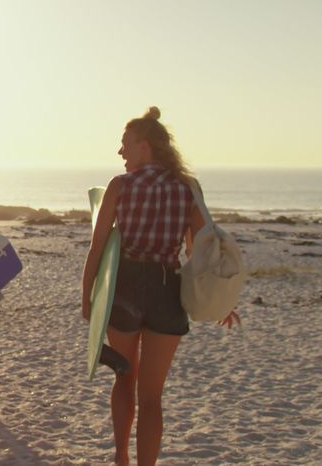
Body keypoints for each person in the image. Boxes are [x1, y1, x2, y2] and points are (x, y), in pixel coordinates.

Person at [82, 107, 239, 466]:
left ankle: (121, 456)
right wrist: (221, 302)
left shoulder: (120, 186)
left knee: (124, 378)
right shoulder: (187, 187)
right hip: (167, 287)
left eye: (126, 144)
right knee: (152, 396)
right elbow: (202, 252)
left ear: (146, 145)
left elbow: (98, 245)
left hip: (124, 286)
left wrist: (87, 295)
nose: (121, 152)